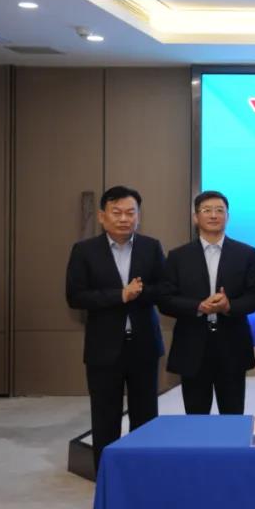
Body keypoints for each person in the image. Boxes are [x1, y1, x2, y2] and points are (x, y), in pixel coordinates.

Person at [65, 186, 165, 471]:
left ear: (138, 216)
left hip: (144, 346)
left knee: (145, 416)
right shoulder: (85, 251)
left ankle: (144, 473)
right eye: (117, 212)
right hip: (103, 348)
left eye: (130, 212)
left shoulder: (151, 247)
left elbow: (164, 289)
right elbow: (75, 297)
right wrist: (119, 295)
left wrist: (138, 293)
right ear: (102, 216)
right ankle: (107, 478)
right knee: (105, 417)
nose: (124, 218)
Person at [158, 191, 255, 415]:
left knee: (233, 416)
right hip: (192, 346)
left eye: (219, 211)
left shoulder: (246, 253)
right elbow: (165, 300)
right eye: (207, 210)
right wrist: (198, 306)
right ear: (196, 217)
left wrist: (229, 306)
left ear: (227, 216)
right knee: (196, 417)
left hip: (232, 345)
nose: (214, 215)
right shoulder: (178, 256)